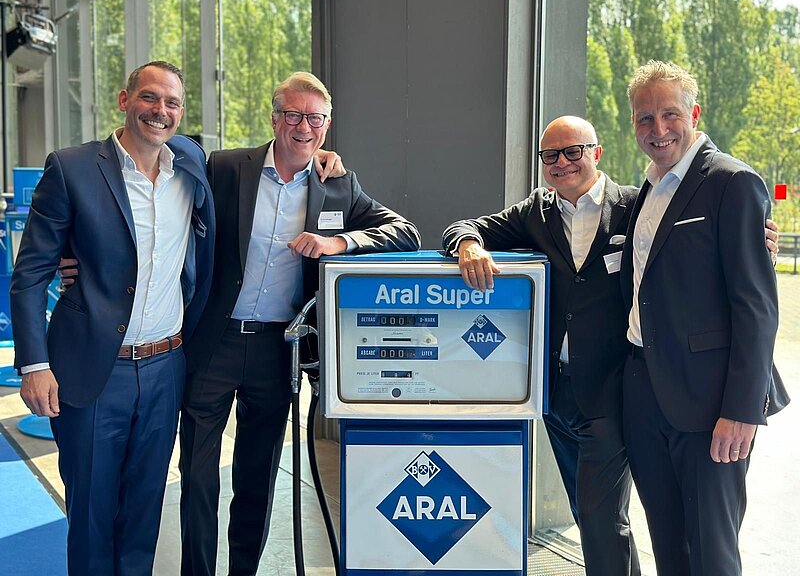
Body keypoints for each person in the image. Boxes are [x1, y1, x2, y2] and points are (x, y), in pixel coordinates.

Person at [178, 71, 421, 576]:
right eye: (293, 115)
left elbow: (405, 232)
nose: (303, 126)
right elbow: (171, 160)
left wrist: (339, 243)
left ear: (327, 126)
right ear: (275, 119)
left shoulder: (338, 186)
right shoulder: (227, 167)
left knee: (257, 478)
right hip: (215, 344)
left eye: (315, 118)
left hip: (278, 351)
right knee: (197, 476)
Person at [9, 61, 215, 575]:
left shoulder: (190, 162)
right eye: (149, 97)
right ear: (125, 101)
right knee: (92, 514)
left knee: (145, 511)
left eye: (172, 102)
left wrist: (318, 154)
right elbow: (30, 275)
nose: (160, 111)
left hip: (166, 367)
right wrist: (34, 365)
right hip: (94, 370)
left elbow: (257, 168)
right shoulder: (72, 168)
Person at [443, 115, 640, 576]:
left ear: (597, 153)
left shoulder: (634, 205)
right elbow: (464, 226)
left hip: (613, 391)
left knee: (601, 515)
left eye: (573, 151)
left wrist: (758, 241)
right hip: (558, 395)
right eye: (550, 155)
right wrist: (469, 245)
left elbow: (688, 242)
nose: (561, 162)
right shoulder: (537, 211)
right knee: (588, 511)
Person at [621, 60, 788, 575]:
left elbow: (756, 308)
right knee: (669, 547)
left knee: (711, 553)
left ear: (694, 114)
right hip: (645, 393)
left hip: (711, 403)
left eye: (670, 114)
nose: (658, 128)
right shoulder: (649, 188)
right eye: (645, 118)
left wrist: (742, 409)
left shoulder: (732, 182)